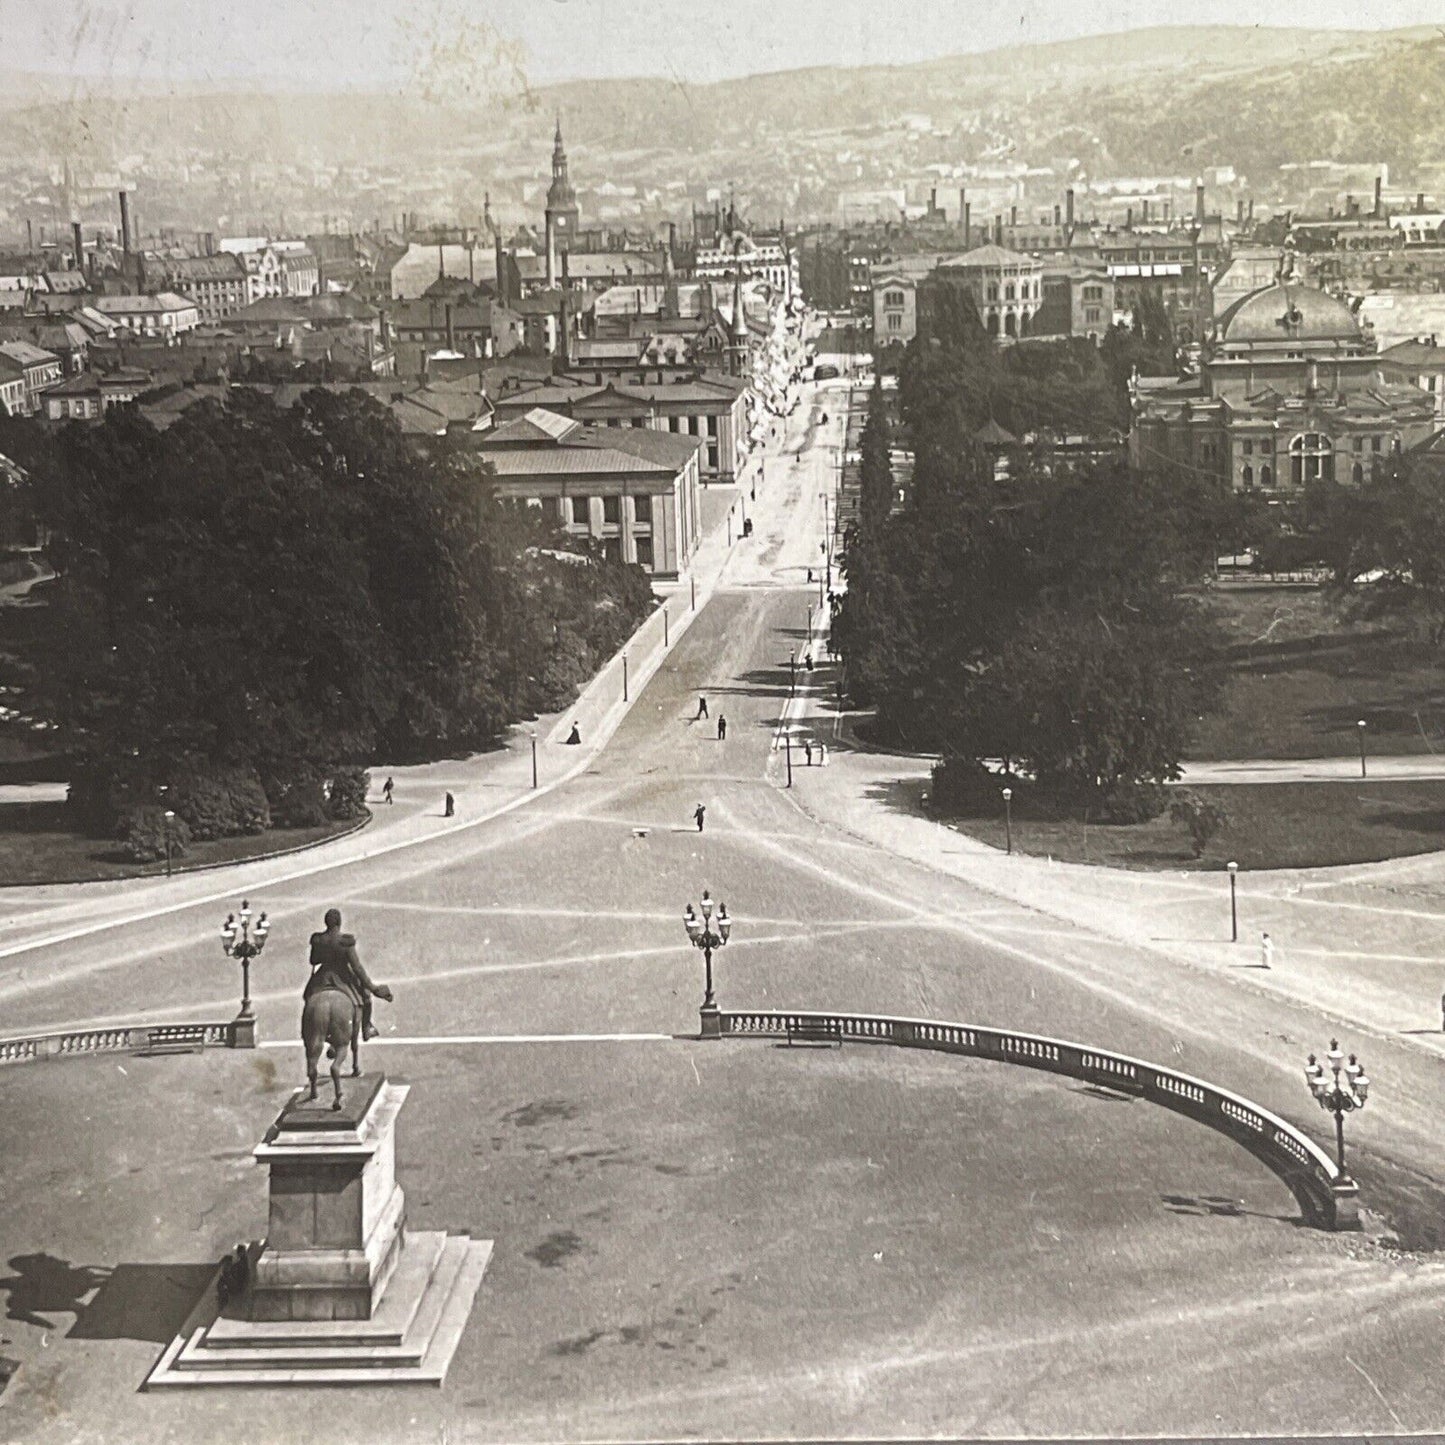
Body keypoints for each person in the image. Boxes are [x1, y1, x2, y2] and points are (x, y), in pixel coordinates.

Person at [305, 908, 392, 1041]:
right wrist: (372, 987)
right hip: (342, 976)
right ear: (339, 923)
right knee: (366, 997)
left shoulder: (318, 940)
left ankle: (309, 1028)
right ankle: (366, 1028)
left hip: (323, 977)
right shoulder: (345, 942)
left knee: (307, 996)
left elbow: (313, 960)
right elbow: (356, 967)